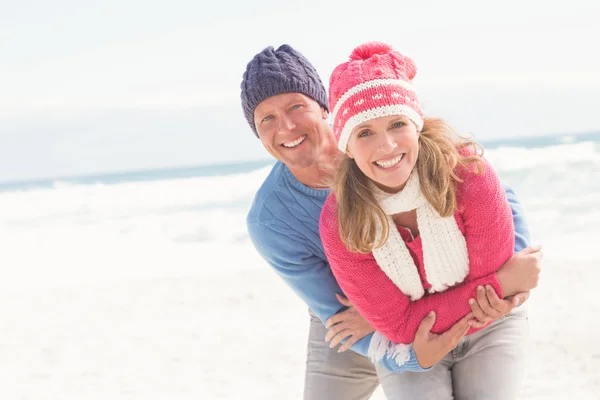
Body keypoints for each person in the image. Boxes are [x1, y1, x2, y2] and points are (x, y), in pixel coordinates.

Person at [241, 43, 537, 399]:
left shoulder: (391, 138)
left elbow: (494, 201)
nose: (286, 126)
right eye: (266, 119)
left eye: (296, 107)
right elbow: (343, 314)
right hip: (354, 322)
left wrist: (509, 280)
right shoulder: (272, 220)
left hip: (435, 294)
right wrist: (408, 346)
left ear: (325, 109)